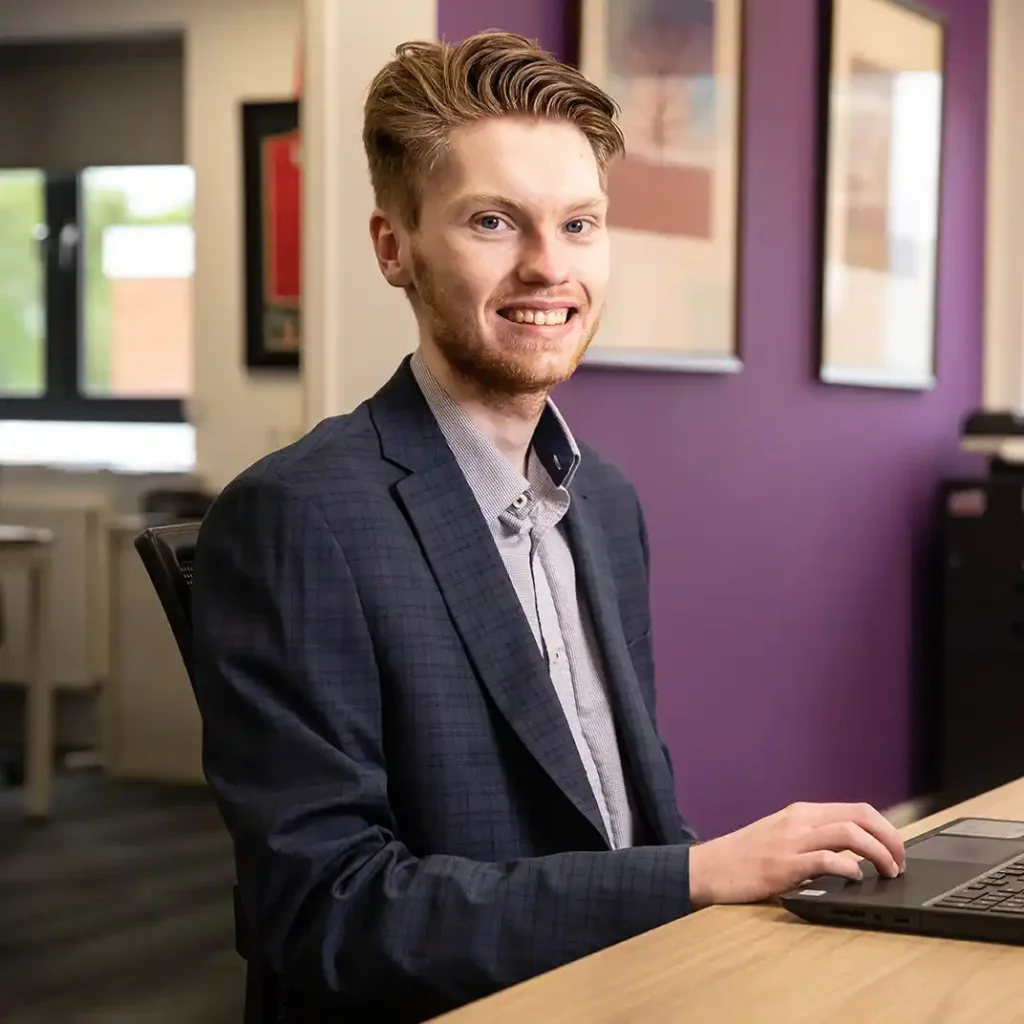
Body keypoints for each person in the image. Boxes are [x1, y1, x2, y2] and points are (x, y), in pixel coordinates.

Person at [192, 30, 906, 1023]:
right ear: (393, 247)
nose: (547, 268)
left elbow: (623, 824)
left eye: (579, 224)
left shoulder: (603, 501)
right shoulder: (297, 520)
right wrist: (693, 875)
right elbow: (326, 911)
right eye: (492, 222)